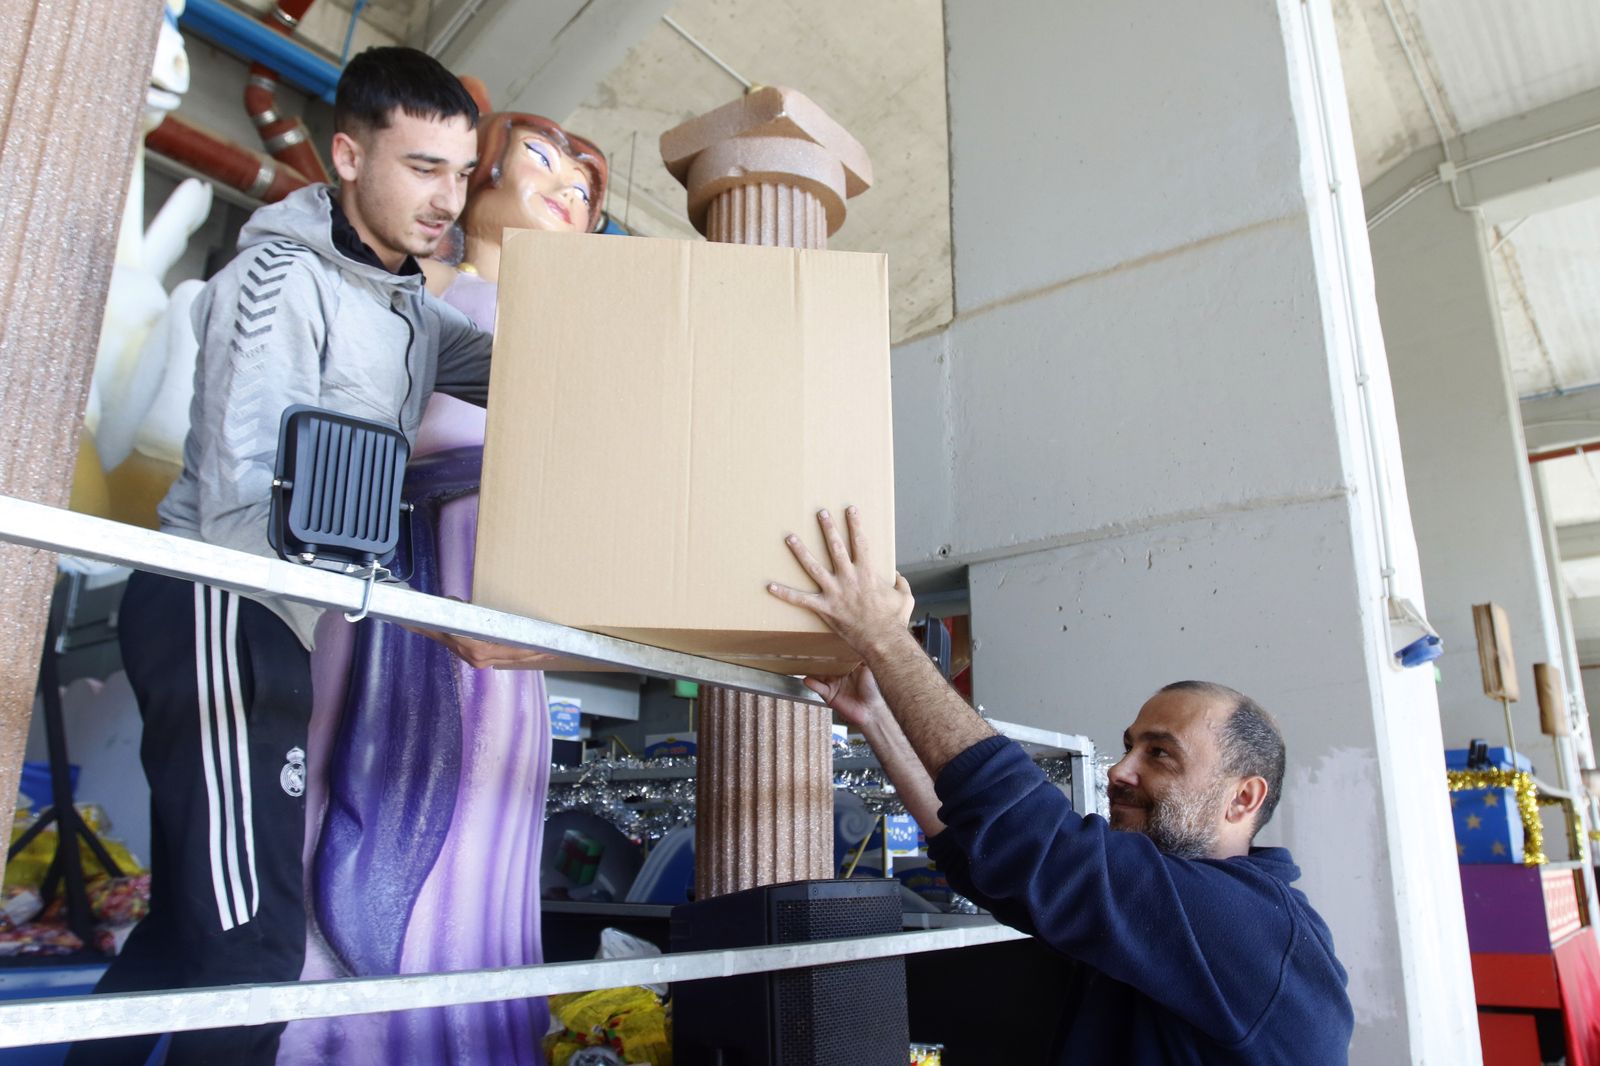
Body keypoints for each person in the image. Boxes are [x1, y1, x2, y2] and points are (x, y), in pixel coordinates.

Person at [69, 47, 499, 1066]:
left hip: (280, 622)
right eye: (422, 167)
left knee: (192, 927)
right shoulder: (276, 279)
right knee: (254, 944)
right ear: (349, 156)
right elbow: (242, 479)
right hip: (223, 601)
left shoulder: (407, 311)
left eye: (460, 173)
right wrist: (370, 577)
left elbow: (530, 372)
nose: (447, 200)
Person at [767, 507, 1356, 1065]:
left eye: (1160, 754)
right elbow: (993, 863)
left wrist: (886, 639)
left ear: (1243, 798)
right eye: (1129, 746)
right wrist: (875, 718)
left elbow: (1038, 844)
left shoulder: (1254, 928)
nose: (1120, 771)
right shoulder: (1177, 918)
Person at [278, 111, 607, 1066]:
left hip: (505, 611)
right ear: (479, 177)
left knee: (491, 810)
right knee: (368, 779)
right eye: (542, 160)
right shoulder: (420, 296)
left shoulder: (578, 339)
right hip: (401, 575)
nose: (566, 189)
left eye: (585, 188)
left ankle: (469, 1033)